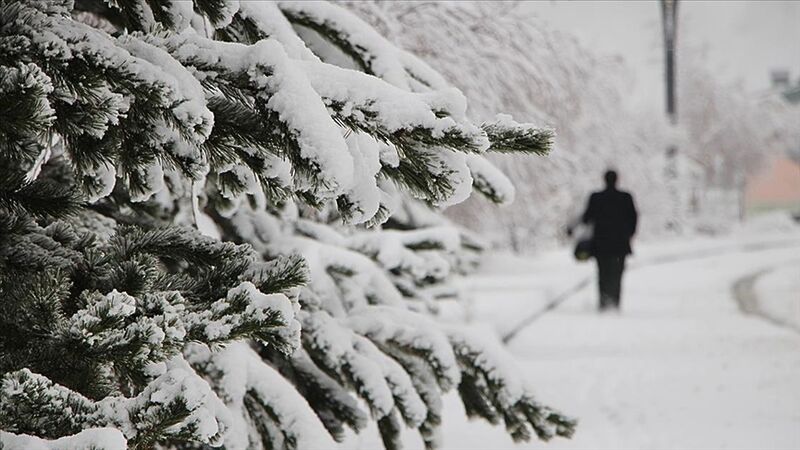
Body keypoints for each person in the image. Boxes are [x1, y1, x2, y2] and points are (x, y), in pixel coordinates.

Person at [573, 170, 638, 311]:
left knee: (603, 273)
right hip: (620, 244)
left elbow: (586, 218)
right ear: (617, 180)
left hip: (601, 244)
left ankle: (604, 302)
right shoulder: (626, 197)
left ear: (604, 180)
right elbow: (633, 218)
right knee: (617, 274)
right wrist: (628, 234)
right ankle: (615, 302)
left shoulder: (596, 197)